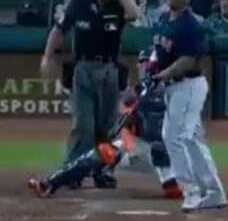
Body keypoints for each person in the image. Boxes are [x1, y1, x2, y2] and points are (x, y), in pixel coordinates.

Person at [28, 51, 182, 199]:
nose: (143, 66)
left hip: (169, 154)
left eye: (146, 62)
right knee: (104, 151)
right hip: (142, 150)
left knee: (174, 190)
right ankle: (51, 183)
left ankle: (189, 182)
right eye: (141, 63)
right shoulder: (136, 93)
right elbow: (123, 120)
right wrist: (129, 141)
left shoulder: (176, 91)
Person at [40, 0, 140, 189]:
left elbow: (135, 14)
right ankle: (72, 172)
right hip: (84, 69)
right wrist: (47, 56)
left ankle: (102, 170)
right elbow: (59, 30)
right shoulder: (79, 4)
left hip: (109, 70)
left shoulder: (118, 4)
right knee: (83, 126)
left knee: (108, 125)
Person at [152, 0, 226, 212]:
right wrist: (152, 70)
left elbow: (189, 60)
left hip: (189, 85)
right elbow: (157, 51)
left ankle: (192, 191)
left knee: (180, 137)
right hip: (174, 88)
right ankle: (212, 191)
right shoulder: (163, 20)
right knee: (185, 137)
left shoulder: (191, 25)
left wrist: (163, 75)